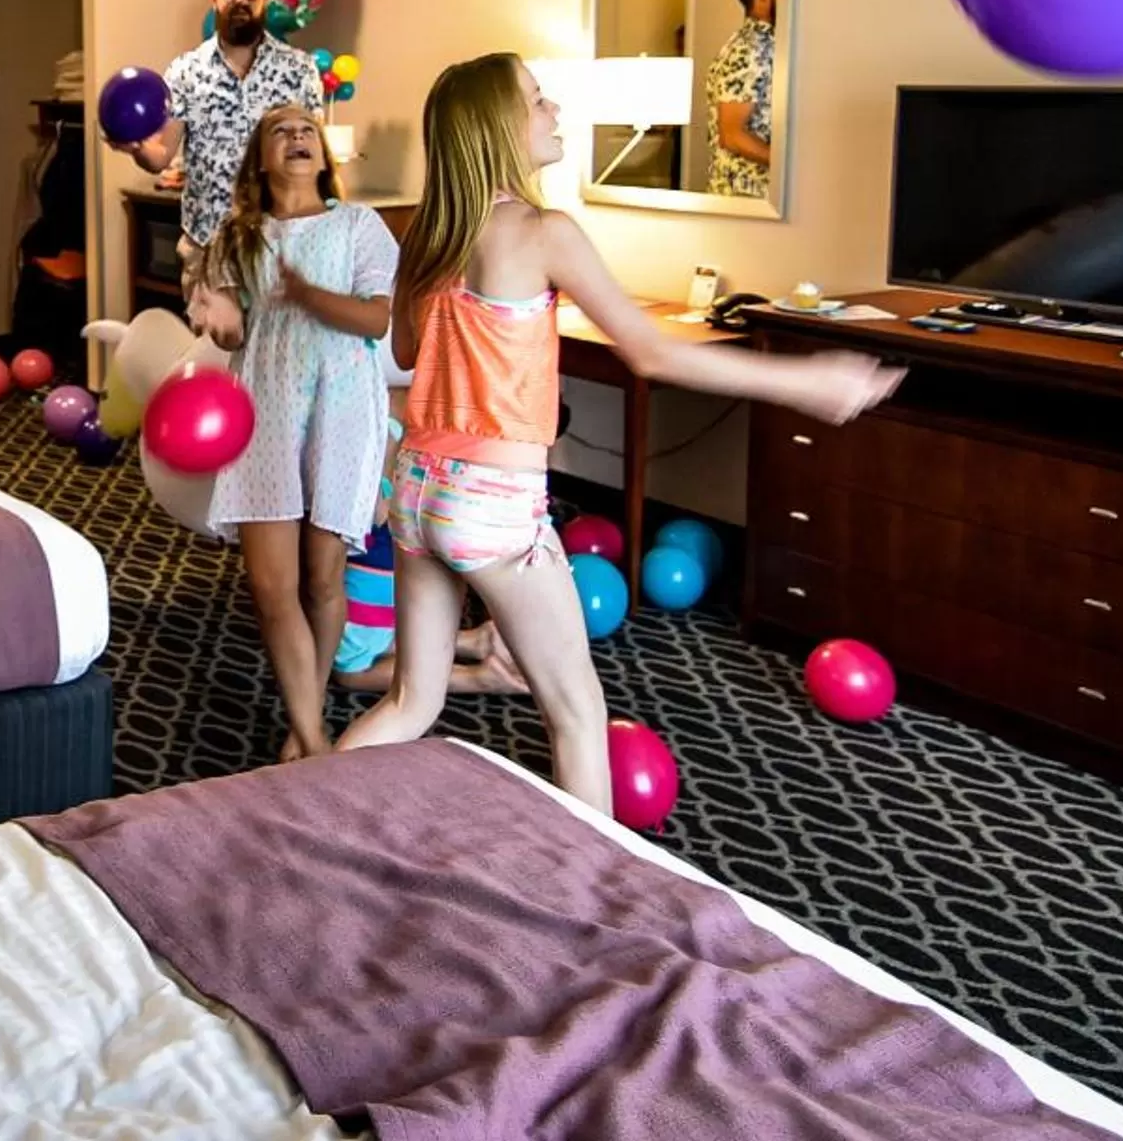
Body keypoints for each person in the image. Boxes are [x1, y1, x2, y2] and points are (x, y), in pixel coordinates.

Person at [336, 53, 901, 810]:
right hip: (492, 503)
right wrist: (807, 383)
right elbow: (652, 353)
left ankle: (288, 817)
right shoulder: (543, 231)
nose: (554, 110)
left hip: (416, 488)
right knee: (576, 713)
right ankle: (605, 886)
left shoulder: (429, 239)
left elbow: (407, 353)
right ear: (498, 126)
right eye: (538, 99)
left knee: (412, 701)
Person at [196, 106, 401, 762]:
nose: (296, 136)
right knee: (269, 584)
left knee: (322, 578)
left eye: (306, 129)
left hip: (342, 411)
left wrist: (305, 292)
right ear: (260, 159)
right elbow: (237, 333)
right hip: (265, 410)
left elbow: (374, 320)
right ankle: (312, 735)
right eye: (280, 131)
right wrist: (215, 316)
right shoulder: (239, 236)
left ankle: (303, 724)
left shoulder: (358, 225)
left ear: (323, 153)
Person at [110, 0, 326, 345]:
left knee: (279, 363)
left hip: (279, 248)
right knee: (212, 363)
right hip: (207, 248)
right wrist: (137, 147)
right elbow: (161, 155)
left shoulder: (299, 70)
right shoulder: (185, 72)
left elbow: (313, 159)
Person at [332, 522, 529, 697]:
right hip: (423, 555)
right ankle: (474, 642)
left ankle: (476, 678)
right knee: (370, 633)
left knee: (350, 671)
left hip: (373, 570)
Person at [705, 0, 777, 199]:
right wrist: (791, 166)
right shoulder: (750, 50)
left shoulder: (765, 45)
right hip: (744, 196)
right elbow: (732, 136)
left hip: (753, 196)